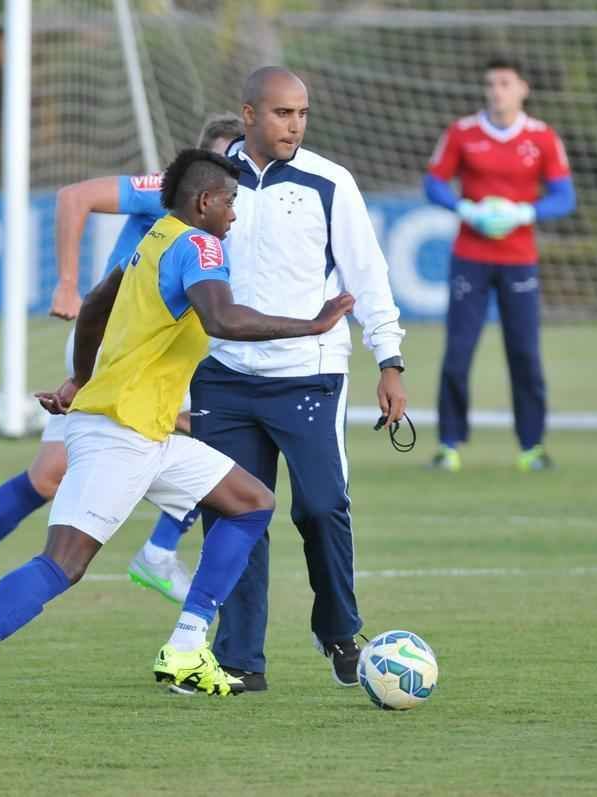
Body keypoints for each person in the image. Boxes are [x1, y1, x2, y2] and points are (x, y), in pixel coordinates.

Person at [0, 147, 355, 721]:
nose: (235, 216)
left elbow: (95, 304)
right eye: (231, 203)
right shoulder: (199, 244)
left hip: (143, 431)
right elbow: (223, 320)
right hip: (121, 434)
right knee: (62, 565)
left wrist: (80, 378)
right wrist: (312, 324)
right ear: (204, 202)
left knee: (250, 503)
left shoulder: (156, 238)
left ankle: (189, 646)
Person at [0, 114, 243, 628]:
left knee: (46, 477)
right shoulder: (171, 195)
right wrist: (67, 283)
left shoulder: (236, 215)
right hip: (120, 350)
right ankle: (159, 552)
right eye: (226, 155)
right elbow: (75, 196)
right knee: (222, 443)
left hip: (151, 349)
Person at [189, 67, 408, 692]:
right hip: (223, 378)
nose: (295, 125)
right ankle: (238, 662)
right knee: (233, 515)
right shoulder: (207, 184)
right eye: (283, 113)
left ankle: (340, 630)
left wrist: (389, 361)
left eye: (302, 114)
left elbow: (368, 276)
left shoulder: (330, 182)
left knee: (320, 506)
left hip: (307, 377)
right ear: (249, 114)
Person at [424, 56, 576, 473]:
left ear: (523, 88)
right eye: (491, 83)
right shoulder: (463, 132)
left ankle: (532, 447)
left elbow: (565, 197)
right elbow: (433, 182)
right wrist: (466, 209)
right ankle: (449, 445)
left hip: (519, 260)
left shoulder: (543, 138)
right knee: (458, 352)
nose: (497, 91)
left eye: (506, 83)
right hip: (470, 259)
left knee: (525, 354)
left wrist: (523, 214)